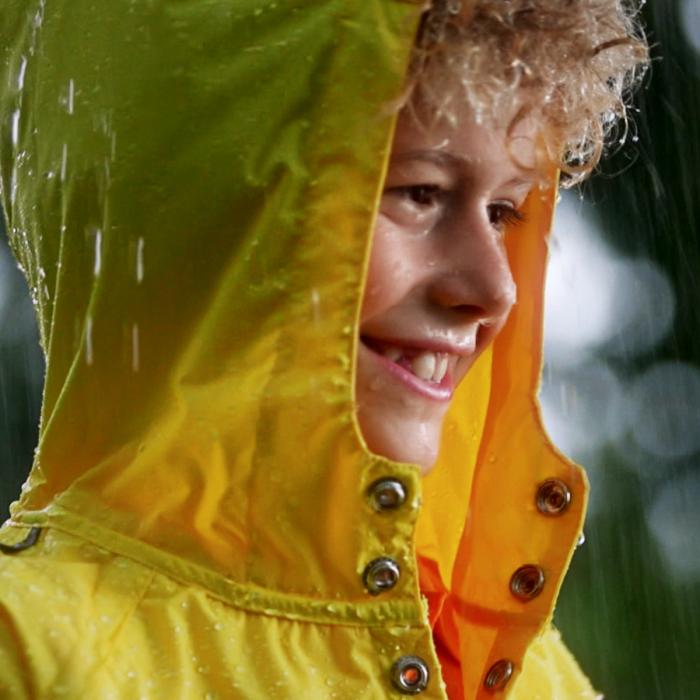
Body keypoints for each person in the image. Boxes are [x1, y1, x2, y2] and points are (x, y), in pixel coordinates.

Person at [0, 1, 647, 698]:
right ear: (221, 206)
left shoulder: (522, 674)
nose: (494, 289)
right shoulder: (30, 655)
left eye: (503, 212)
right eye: (420, 193)